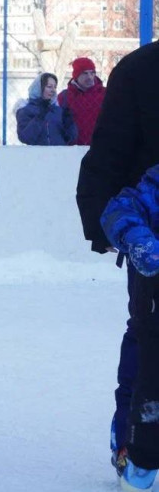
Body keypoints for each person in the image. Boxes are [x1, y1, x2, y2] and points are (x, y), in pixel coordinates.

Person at [77, 40, 159, 488]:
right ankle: (131, 435)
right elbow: (108, 147)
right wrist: (102, 221)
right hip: (149, 231)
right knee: (146, 334)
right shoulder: (142, 69)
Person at [100, 165, 159, 491]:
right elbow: (121, 209)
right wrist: (142, 242)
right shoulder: (155, 184)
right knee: (142, 383)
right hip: (153, 308)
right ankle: (134, 454)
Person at [16, 72, 77, 146]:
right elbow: (25, 138)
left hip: (58, 153)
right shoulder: (26, 110)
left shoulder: (57, 110)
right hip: (36, 154)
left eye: (55, 87)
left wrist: (69, 123)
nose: (53, 90)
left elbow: (70, 138)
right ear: (38, 88)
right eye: (49, 86)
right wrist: (39, 118)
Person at [58, 57, 106, 146]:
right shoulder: (64, 97)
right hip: (72, 149)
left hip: (100, 148)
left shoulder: (106, 94)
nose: (90, 77)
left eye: (92, 73)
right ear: (76, 76)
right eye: (85, 73)